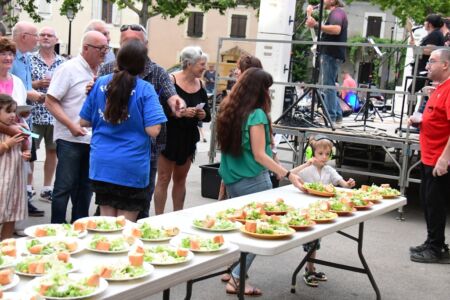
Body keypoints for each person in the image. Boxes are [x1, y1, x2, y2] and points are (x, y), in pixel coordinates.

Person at [216, 68, 303, 296]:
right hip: (252, 179)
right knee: (259, 231)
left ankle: (234, 271)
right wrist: (287, 174)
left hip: (233, 178)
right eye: (268, 89)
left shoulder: (229, 108)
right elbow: (259, 155)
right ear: (260, 90)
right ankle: (236, 278)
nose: (270, 94)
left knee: (243, 228)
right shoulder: (256, 115)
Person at [97, 24, 186, 219]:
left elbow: (172, 96)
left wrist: (176, 102)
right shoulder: (105, 71)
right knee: (115, 210)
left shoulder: (157, 72)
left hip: (145, 152)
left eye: (134, 43)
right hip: (112, 150)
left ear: (145, 45)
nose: (130, 47)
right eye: (125, 43)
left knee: (137, 207)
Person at [79, 40, 167, 221]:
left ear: (118, 61)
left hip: (102, 164)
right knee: (126, 228)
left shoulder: (100, 83)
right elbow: (153, 130)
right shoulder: (145, 89)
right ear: (143, 66)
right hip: (131, 166)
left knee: (107, 223)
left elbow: (84, 121)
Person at [45, 31, 109, 224]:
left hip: (93, 139)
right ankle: (56, 229)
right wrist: (71, 125)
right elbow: (50, 101)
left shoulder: (102, 71)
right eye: (101, 48)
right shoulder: (68, 69)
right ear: (86, 48)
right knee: (64, 187)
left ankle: (78, 228)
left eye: (106, 48)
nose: (105, 52)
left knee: (86, 189)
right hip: (70, 138)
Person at [290, 135, 355, 286]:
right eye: (320, 154)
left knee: (315, 241)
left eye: (327, 154)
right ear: (312, 154)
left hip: (322, 211)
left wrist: (348, 184)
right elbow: (289, 173)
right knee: (312, 241)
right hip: (306, 210)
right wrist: (306, 164)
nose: (324, 157)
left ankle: (310, 268)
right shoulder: (307, 169)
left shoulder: (329, 170)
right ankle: (309, 269)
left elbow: (342, 183)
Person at [154, 46, 211, 215]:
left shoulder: (200, 84)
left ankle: (177, 216)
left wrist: (201, 113)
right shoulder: (171, 81)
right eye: (201, 64)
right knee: (163, 179)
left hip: (188, 138)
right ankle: (158, 219)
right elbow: (159, 111)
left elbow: (208, 116)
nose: (204, 68)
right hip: (169, 137)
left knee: (181, 179)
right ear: (189, 64)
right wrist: (179, 113)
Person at [409, 48, 450, 264]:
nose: (427, 65)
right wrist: (420, 120)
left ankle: (436, 249)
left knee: (436, 204)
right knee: (428, 201)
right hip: (428, 156)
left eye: (432, 61)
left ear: (445, 64)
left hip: (439, 159)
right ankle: (433, 241)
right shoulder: (439, 89)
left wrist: (445, 159)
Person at [10, 21, 45, 217]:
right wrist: (44, 98)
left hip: (25, 124)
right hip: (12, 126)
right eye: (35, 35)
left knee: (27, 162)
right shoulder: (12, 59)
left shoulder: (25, 58)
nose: (38, 39)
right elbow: (21, 90)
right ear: (24, 36)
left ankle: (22, 202)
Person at [218, 55, 263, 201]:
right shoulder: (249, 107)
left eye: (240, 69)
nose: (236, 72)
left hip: (238, 176)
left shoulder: (234, 105)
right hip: (246, 177)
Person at [30, 26, 65, 203]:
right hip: (33, 115)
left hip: (54, 116)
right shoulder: (29, 59)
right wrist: (37, 84)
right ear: (37, 39)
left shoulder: (62, 62)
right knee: (31, 151)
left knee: (52, 151)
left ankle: (46, 188)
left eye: (49, 35)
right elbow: (24, 83)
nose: (45, 37)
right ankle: (28, 188)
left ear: (56, 39)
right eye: (42, 35)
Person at [306, 0, 348, 126]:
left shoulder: (337, 12)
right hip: (331, 54)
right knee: (330, 85)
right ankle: (337, 116)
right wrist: (310, 16)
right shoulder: (336, 13)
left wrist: (317, 24)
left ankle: (331, 117)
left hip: (331, 54)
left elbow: (336, 29)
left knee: (328, 86)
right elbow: (311, 25)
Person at [0, 94, 30, 239]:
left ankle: (5, 243)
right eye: (8, 111)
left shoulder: (18, 127)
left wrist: (26, 152)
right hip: (2, 177)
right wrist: (6, 144)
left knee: (13, 210)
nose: (12, 115)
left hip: (15, 177)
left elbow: (25, 147)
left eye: (14, 111)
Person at [409, 14, 444, 113]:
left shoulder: (435, 34)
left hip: (426, 69)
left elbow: (429, 50)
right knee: (419, 91)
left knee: (412, 89)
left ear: (429, 24)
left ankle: (411, 115)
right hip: (424, 68)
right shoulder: (435, 34)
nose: (424, 23)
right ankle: (415, 114)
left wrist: (417, 48)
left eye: (425, 21)